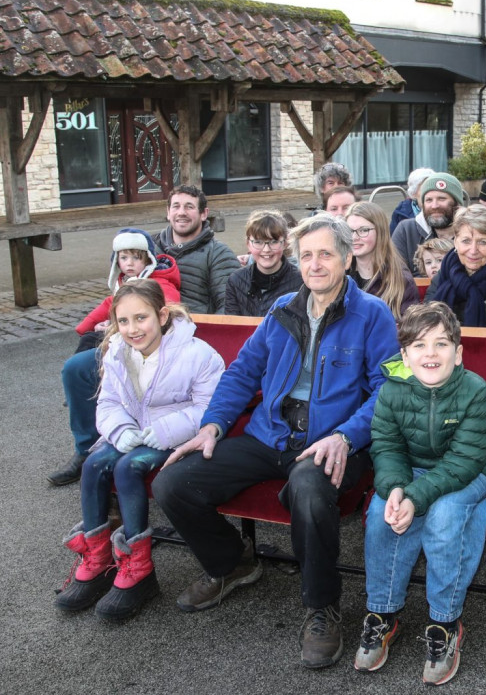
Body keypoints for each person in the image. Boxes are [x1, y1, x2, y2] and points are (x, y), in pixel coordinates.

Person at [151, 214, 399, 669]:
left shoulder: (373, 314)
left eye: (326, 253)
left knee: (308, 487)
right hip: (271, 435)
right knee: (173, 483)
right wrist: (213, 425)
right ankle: (234, 563)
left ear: (346, 258)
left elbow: (390, 388)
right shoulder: (282, 308)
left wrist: (347, 435)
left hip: (335, 441)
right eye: (307, 255)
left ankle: (321, 606)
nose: (316, 263)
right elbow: (243, 372)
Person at [54, 280, 225, 620]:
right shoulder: (117, 351)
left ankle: (138, 570)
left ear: (162, 315)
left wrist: (160, 431)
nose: (133, 329)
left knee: (128, 467)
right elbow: (109, 401)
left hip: (175, 435)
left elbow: (208, 408)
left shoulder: (197, 353)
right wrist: (120, 429)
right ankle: (99, 558)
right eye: (124, 321)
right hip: (132, 430)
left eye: (141, 318)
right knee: (94, 464)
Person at [353, 302, 486, 685]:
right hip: (414, 469)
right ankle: (383, 614)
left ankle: (445, 621)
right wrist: (396, 490)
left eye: (441, 344)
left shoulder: (474, 390)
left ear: (459, 352)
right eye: (419, 345)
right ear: (405, 355)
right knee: (379, 513)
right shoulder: (391, 391)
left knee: (444, 516)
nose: (431, 354)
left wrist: (417, 498)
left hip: (474, 467)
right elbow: (387, 448)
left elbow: (465, 460)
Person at [48, 228, 182, 487]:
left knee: (100, 365)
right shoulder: (123, 284)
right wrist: (88, 327)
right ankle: (86, 449)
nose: (129, 263)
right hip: (119, 341)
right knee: (75, 368)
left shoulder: (160, 282)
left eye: (135, 258)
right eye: (123, 258)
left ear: (147, 258)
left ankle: (124, 445)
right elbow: (107, 306)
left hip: (151, 345)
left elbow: (170, 312)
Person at [155, 185, 240, 314]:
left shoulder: (219, 254)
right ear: (168, 212)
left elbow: (229, 307)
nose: (181, 212)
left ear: (204, 214)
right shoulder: (148, 248)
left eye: (189, 207)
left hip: (197, 330)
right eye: (176, 206)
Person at [345, 201, 420, 321]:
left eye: (363, 230)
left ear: (380, 232)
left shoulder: (401, 280)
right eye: (349, 231)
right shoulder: (340, 274)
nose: (354, 237)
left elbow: (408, 331)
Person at [224, 210, 300, 316]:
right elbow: (232, 325)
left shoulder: (301, 281)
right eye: (258, 242)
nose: (266, 249)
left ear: (285, 243)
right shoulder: (236, 281)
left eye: (274, 242)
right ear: (248, 244)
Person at [392, 172, 463, 275]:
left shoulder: (471, 232)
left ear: (457, 203)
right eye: (429, 200)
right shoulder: (406, 230)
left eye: (441, 199)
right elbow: (395, 275)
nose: (434, 206)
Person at [391, 167, 434, 234]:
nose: (430, 192)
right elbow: (393, 240)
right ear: (413, 193)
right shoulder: (401, 213)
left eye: (433, 187)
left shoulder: (442, 209)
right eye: (425, 188)